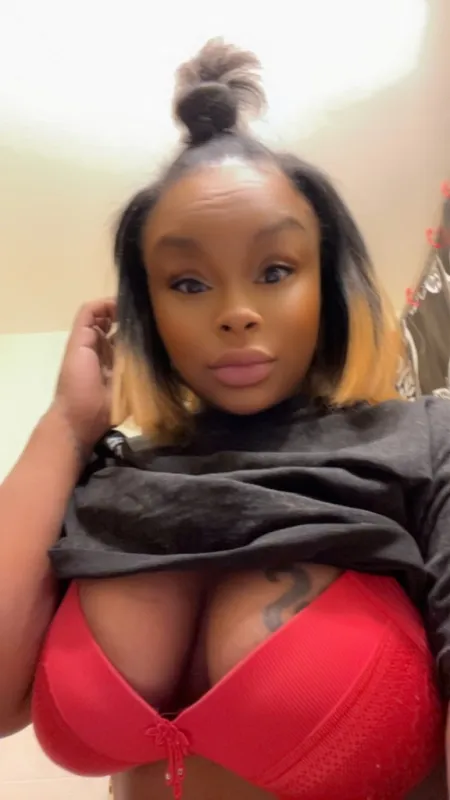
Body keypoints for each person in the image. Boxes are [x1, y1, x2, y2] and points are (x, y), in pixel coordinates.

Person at [0, 39, 449, 800]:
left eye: (275, 270)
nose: (236, 313)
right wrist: (68, 427)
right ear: (146, 311)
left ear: (328, 284)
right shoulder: (105, 475)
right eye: (187, 282)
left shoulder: (425, 439)